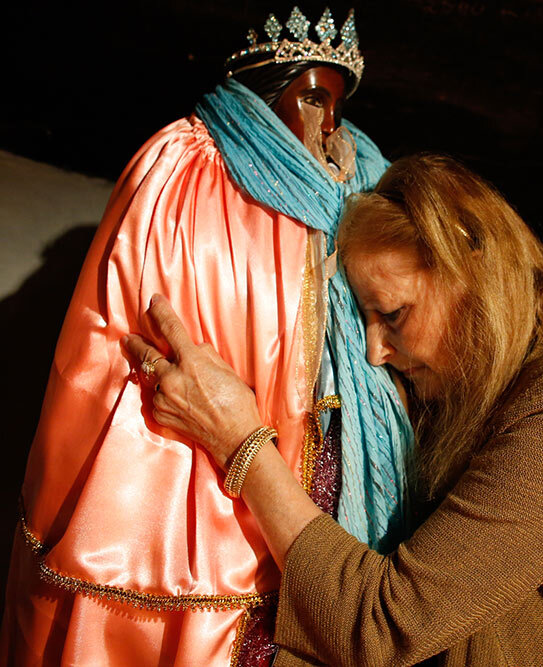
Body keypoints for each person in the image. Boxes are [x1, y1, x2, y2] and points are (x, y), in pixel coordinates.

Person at [123, 154, 543, 665]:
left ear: (476, 279)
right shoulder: (503, 383)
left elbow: (383, 626)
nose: (375, 352)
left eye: (393, 315)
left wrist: (238, 438)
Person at [2, 7, 414, 665]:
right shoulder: (184, 170)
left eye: (337, 101)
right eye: (312, 94)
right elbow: (132, 351)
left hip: (330, 474)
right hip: (211, 489)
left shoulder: (366, 182)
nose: (328, 123)